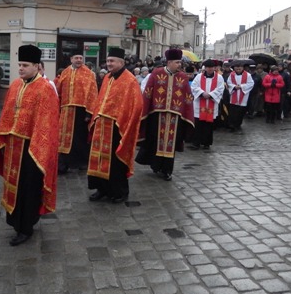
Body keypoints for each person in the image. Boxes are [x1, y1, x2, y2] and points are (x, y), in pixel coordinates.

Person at [0, 45, 59, 246]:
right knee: (14, 185)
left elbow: (47, 122)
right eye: (19, 64)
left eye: (25, 65)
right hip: (13, 145)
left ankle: (25, 227)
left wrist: (38, 148)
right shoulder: (15, 85)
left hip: (32, 148)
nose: (21, 68)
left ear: (37, 66)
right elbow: (7, 113)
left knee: (28, 188)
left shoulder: (45, 88)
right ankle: (15, 220)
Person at [88, 47, 143, 203]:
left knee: (115, 161)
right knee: (99, 159)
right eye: (108, 61)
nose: (109, 64)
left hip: (117, 126)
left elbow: (137, 105)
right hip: (101, 124)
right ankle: (101, 189)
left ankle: (119, 191)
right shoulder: (107, 77)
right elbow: (101, 99)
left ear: (121, 62)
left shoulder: (130, 80)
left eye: (112, 61)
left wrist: (124, 121)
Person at [136, 48, 194, 181]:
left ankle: (167, 170)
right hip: (157, 115)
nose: (179, 65)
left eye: (180, 62)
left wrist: (187, 113)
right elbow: (148, 93)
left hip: (175, 116)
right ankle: (156, 165)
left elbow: (187, 97)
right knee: (156, 141)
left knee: (170, 145)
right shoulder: (156, 73)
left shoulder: (183, 77)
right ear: (169, 62)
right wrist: (145, 110)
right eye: (177, 62)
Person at [56, 50, 98, 174]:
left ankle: (82, 162)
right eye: (76, 58)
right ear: (71, 59)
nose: (79, 60)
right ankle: (63, 163)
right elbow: (59, 90)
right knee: (63, 137)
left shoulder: (88, 73)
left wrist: (89, 113)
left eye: (80, 58)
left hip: (81, 111)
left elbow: (92, 93)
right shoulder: (65, 72)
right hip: (66, 110)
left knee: (79, 138)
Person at [190, 59, 225, 150]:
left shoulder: (219, 78)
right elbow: (194, 87)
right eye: (208, 67)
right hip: (199, 104)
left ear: (214, 68)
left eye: (211, 67)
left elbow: (220, 88)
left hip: (211, 103)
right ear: (205, 68)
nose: (210, 69)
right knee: (198, 124)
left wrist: (210, 95)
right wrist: (202, 93)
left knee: (208, 125)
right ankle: (196, 143)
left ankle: (207, 143)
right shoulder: (198, 77)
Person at [226, 61, 254, 133]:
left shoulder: (248, 75)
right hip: (234, 95)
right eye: (236, 68)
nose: (238, 70)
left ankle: (238, 125)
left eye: (240, 68)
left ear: (242, 68)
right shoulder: (231, 75)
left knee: (240, 112)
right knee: (233, 112)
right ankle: (232, 126)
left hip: (243, 96)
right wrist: (234, 87)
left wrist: (241, 86)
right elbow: (229, 83)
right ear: (234, 68)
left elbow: (251, 84)